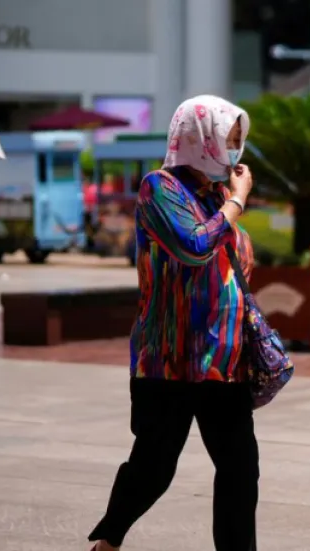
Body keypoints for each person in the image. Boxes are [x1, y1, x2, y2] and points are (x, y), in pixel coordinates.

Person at [88, 95, 258, 551]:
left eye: (239, 141)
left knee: (241, 468)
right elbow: (192, 246)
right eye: (230, 139)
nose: (236, 151)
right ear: (201, 138)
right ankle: (108, 540)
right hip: (170, 357)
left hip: (223, 357)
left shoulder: (216, 194)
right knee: (154, 468)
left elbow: (231, 258)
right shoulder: (158, 188)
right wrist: (237, 205)